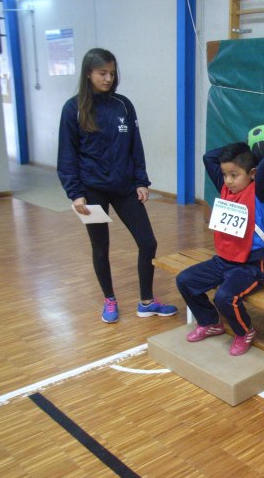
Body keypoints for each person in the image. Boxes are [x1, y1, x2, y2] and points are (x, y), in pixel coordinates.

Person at [57, 48, 177, 324]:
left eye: (112, 73)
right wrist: (75, 193)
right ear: (89, 73)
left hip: (124, 187)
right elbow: (67, 155)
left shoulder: (124, 105)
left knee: (148, 242)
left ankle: (147, 301)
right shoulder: (73, 109)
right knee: (101, 246)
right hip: (92, 190)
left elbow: (136, 145)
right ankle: (109, 298)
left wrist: (141, 181)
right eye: (102, 73)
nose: (108, 78)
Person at [176, 141, 264, 356]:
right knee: (185, 280)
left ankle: (244, 331)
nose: (228, 181)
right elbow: (209, 156)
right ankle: (210, 322)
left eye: (234, 175)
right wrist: (244, 145)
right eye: (225, 175)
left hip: (251, 267)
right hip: (223, 261)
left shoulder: (261, 192)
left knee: (224, 297)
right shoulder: (226, 187)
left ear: (252, 173)